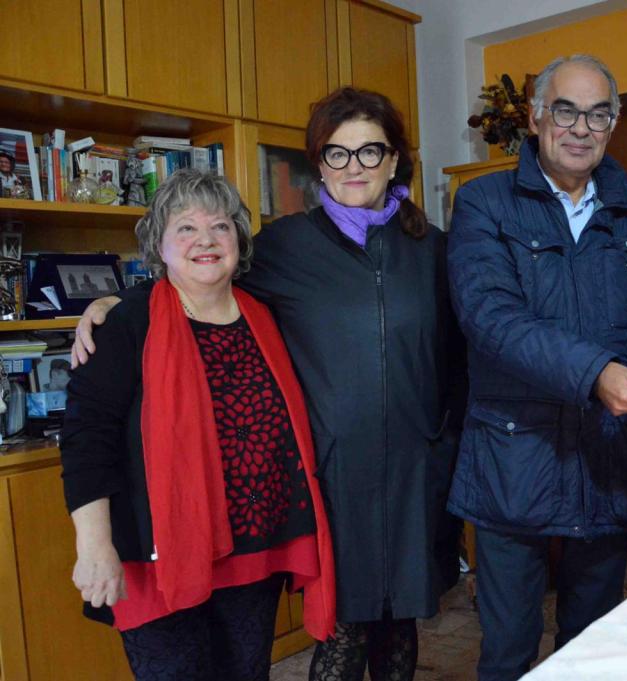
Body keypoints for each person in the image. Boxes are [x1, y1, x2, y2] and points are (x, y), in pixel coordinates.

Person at [72, 87, 465, 681]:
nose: (353, 166)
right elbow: (197, 275)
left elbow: (461, 355)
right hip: (332, 478)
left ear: (394, 161)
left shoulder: (433, 249)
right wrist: (112, 304)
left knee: (400, 618)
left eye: (369, 151)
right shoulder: (286, 246)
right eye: (337, 153)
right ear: (319, 165)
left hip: (411, 474)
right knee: (343, 625)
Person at [446, 54, 627, 681]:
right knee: (508, 652)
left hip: (609, 459)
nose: (580, 128)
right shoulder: (484, 203)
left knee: (591, 651)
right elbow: (491, 318)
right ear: (536, 117)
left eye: (597, 114)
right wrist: (598, 371)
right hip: (514, 463)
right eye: (566, 111)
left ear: (612, 124)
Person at [60, 169, 336, 680]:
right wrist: (93, 545)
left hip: (256, 550)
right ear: (159, 245)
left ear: (239, 240)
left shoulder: (269, 315)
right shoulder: (126, 323)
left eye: (220, 226)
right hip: (158, 557)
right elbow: (85, 440)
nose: (205, 240)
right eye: (185, 227)